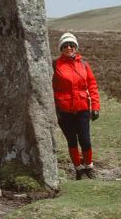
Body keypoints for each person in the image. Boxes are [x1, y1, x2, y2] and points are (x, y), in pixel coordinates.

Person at [52, 32, 100, 180]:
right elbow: (50, 87)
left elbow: (92, 85)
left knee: (85, 139)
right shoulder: (55, 65)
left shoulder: (84, 64)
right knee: (71, 140)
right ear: (61, 48)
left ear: (76, 47)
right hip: (64, 110)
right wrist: (54, 109)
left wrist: (96, 106)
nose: (68, 47)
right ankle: (78, 169)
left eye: (71, 45)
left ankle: (89, 166)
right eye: (65, 45)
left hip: (82, 107)